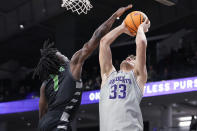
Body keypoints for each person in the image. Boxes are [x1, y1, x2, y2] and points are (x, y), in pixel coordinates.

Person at [33, 5, 133, 131]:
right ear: (59, 61)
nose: (64, 55)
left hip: (44, 126)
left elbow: (42, 114)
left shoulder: (45, 85)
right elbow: (97, 36)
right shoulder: (72, 65)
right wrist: (115, 16)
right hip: (59, 125)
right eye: (61, 54)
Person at [99, 14, 150, 131]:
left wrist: (141, 28)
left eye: (133, 58)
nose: (129, 58)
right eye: (128, 57)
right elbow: (103, 42)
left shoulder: (137, 77)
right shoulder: (108, 75)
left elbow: (141, 43)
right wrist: (122, 27)